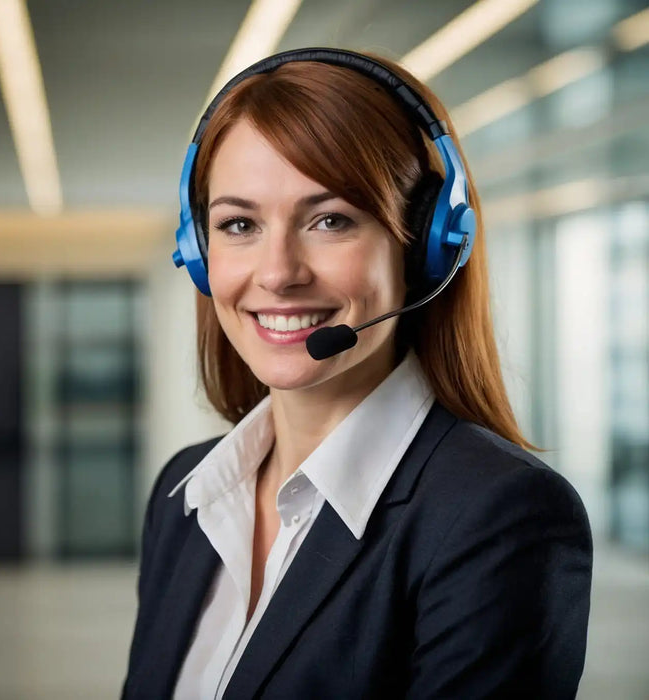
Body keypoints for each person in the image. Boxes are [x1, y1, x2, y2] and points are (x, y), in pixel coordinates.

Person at [122, 48, 592, 699]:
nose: (279, 272)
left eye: (331, 220)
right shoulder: (186, 493)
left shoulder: (499, 514)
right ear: (199, 253)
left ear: (427, 248)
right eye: (239, 224)